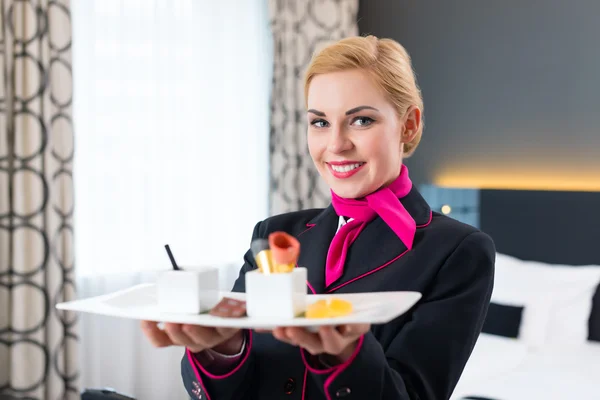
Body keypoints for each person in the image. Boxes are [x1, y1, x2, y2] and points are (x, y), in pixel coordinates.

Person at [141, 35, 495, 400]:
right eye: (320, 122)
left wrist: (347, 357)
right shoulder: (275, 233)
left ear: (408, 125)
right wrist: (223, 348)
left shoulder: (457, 251)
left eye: (361, 120)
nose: (336, 144)